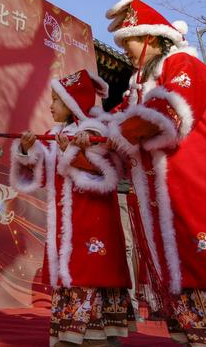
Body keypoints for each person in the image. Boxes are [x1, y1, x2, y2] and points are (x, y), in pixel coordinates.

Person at [105, 0, 206, 346]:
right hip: (166, 204)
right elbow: (115, 124)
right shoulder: (138, 90)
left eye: (129, 42)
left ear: (150, 38)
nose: (125, 51)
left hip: (199, 192)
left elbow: (164, 115)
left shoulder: (185, 64)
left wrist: (112, 133)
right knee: (185, 283)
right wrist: (93, 136)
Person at [10, 69, 134, 347]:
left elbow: (108, 175)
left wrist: (73, 154)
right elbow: (38, 177)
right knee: (73, 272)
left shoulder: (96, 131)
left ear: (72, 101)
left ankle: (97, 336)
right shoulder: (54, 135)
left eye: (56, 99)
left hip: (92, 220)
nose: (50, 105)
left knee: (90, 270)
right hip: (65, 228)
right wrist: (28, 151)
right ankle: (72, 334)